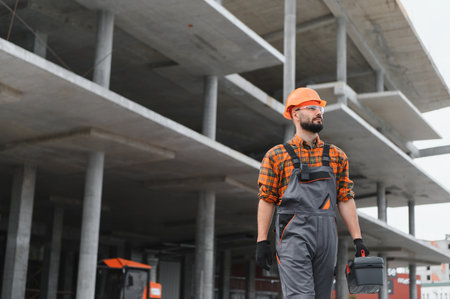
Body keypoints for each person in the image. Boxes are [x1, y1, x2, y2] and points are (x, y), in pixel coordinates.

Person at [255, 87, 369, 298]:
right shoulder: (277, 156)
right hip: (293, 233)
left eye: (320, 109)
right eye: (312, 108)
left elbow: (345, 198)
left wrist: (358, 239)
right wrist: (262, 240)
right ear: (294, 114)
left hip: (326, 234)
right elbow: (267, 199)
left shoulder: (336, 155)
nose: (318, 112)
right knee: (301, 296)